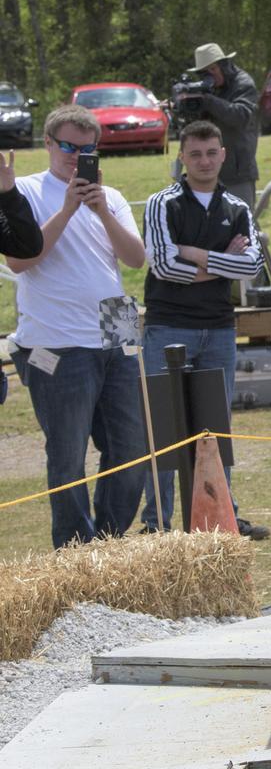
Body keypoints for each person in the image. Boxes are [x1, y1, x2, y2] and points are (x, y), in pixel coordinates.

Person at [3, 105, 148, 548]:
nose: (77, 157)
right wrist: (67, 208)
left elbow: (136, 259)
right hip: (56, 339)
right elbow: (20, 259)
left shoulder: (113, 196)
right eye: (69, 146)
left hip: (117, 327)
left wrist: (101, 210)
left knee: (132, 448)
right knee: (67, 456)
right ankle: (74, 550)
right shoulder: (24, 191)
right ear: (47, 143)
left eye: (88, 149)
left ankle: (108, 542)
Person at [140, 120, 269, 539]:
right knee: (164, 428)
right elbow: (161, 265)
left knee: (216, 427)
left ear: (223, 154)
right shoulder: (162, 204)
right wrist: (219, 264)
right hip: (167, 326)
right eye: (195, 154)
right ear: (182, 156)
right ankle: (157, 524)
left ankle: (222, 517)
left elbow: (251, 266)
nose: (204, 161)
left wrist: (196, 255)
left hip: (219, 329)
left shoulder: (238, 208)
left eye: (211, 152)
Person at [188, 43, 260, 207]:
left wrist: (208, 101)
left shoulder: (243, 83)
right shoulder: (208, 88)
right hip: (208, 168)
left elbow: (241, 116)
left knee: (242, 221)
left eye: (213, 69)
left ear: (224, 66)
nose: (210, 76)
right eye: (205, 73)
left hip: (237, 170)